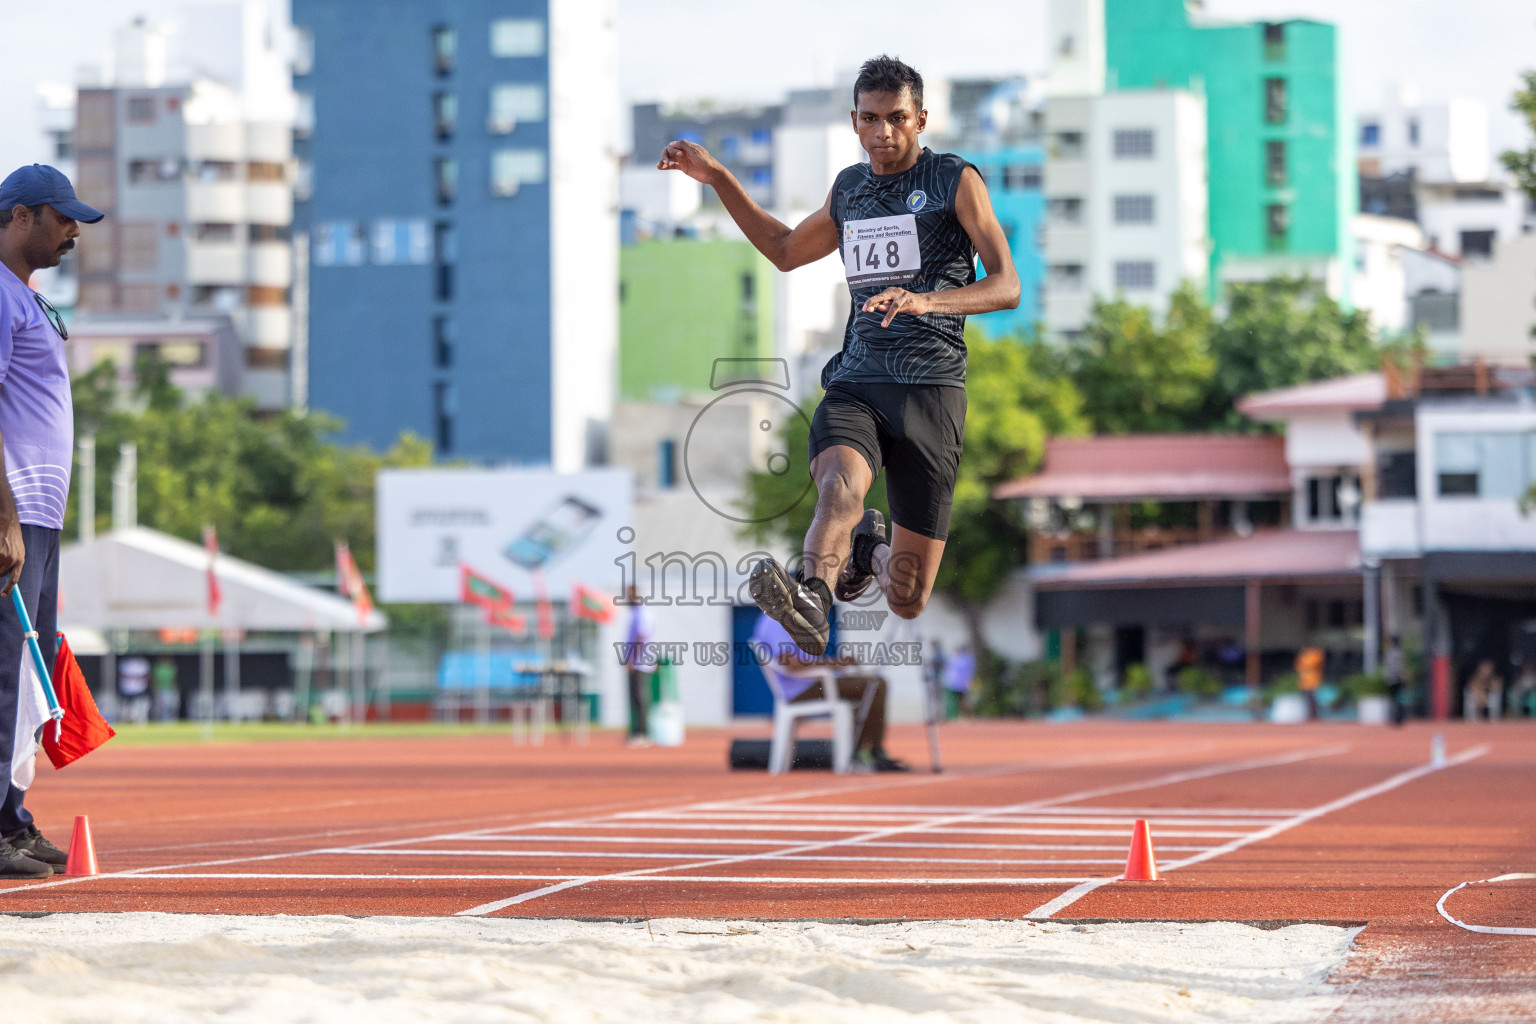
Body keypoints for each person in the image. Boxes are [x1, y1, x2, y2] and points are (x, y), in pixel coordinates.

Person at [659, 56, 1019, 655]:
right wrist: (719, 177)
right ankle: (812, 602)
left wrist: (926, 302)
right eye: (871, 119)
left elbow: (1006, 285)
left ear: (921, 118)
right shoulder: (850, 189)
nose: (884, 133)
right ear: (854, 121)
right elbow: (782, 249)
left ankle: (867, 551)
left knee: (907, 596)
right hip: (857, 383)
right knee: (838, 490)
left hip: (931, 393)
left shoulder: (956, 181)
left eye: (898, 119)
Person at [0, 164, 104, 878]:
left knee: (30, 671)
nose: (73, 231)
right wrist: (3, 517)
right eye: (62, 217)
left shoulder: (28, 298)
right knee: (8, 673)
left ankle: (11, 816)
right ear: (21, 216)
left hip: (42, 513)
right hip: (14, 512)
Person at [752, 611, 907, 771]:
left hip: (809, 684)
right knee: (874, 685)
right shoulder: (776, 621)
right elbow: (791, 663)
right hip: (802, 689)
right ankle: (869, 752)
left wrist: (838, 665)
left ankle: (859, 751)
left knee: (867, 686)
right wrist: (837, 663)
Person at [622, 585, 654, 746]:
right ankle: (636, 732)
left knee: (640, 698)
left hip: (639, 663)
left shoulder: (642, 612)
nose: (627, 597)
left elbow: (641, 635)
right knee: (635, 698)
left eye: (629, 594)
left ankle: (642, 734)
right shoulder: (637, 612)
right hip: (637, 661)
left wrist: (632, 659)